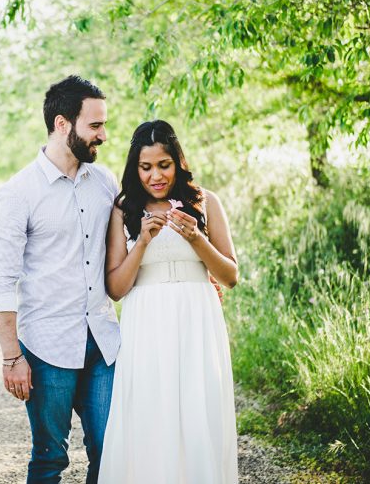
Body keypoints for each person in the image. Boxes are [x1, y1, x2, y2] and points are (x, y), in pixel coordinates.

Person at [0, 75, 121, 483]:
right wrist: (13, 357)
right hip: (47, 348)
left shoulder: (106, 182)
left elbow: (127, 251)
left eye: (103, 125)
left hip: (102, 342)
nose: (103, 135)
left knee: (112, 449)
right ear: (63, 124)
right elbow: (1, 281)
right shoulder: (18, 193)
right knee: (49, 457)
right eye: (94, 125)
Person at [98, 119, 239, 483]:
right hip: (146, 322)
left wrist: (197, 239)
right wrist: (142, 241)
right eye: (146, 167)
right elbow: (116, 287)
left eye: (164, 165)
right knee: (149, 414)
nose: (156, 176)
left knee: (198, 412)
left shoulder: (205, 202)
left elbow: (230, 276)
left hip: (197, 320)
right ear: (135, 168)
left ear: (177, 162)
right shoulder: (124, 210)